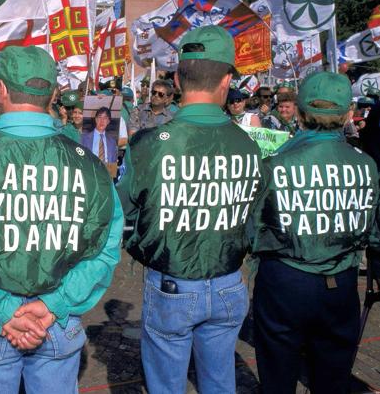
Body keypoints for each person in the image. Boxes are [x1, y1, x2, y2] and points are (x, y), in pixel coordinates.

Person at [0, 45, 123, 394]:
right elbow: (105, 250)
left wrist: (2, 312)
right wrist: (53, 305)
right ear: (53, 93)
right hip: (55, 321)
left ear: (1, 89)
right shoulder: (89, 165)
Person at [118, 25, 264, 394]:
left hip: (172, 280)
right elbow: (255, 217)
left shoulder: (150, 143)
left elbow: (123, 210)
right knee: (219, 380)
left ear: (178, 79)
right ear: (227, 80)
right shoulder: (247, 144)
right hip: (228, 279)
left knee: (166, 385)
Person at [251, 71, 380, 394]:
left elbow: (252, 230)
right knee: (332, 379)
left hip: (285, 280)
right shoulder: (366, 165)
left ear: (299, 113)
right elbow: (374, 230)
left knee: (278, 377)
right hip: (340, 283)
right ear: (348, 114)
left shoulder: (276, 164)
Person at [81, 107, 118, 177]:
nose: (102, 121)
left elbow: (113, 162)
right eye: (100, 117)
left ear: (108, 121)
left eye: (105, 118)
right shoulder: (84, 138)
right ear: (95, 119)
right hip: (90, 174)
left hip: (107, 175)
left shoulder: (112, 142)